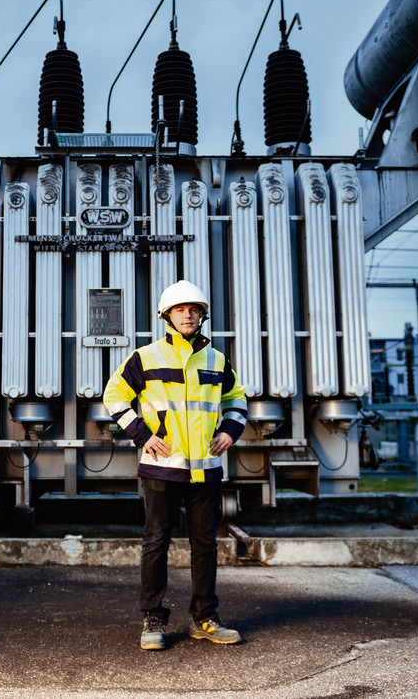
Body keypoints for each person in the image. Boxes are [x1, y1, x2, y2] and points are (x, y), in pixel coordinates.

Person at [102, 279, 248, 651]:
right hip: (162, 467)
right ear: (166, 315)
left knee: (206, 546)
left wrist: (231, 430)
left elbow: (236, 397)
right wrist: (141, 434)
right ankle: (152, 618)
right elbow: (114, 394)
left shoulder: (217, 360)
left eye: (194, 309)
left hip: (206, 469)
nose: (188, 314)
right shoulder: (146, 357)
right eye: (181, 309)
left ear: (202, 316)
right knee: (156, 543)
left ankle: (204, 618)